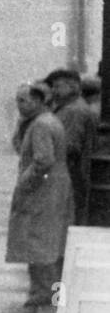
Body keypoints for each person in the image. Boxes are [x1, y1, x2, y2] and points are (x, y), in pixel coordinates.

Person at [6, 82, 73, 307]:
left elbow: (43, 160)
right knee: (48, 238)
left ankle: (43, 290)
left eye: (23, 101)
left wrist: (25, 183)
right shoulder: (47, 121)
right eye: (17, 101)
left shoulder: (41, 125)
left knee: (38, 239)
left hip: (43, 189)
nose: (19, 106)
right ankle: (47, 290)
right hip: (55, 186)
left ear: (37, 101)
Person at [45, 68, 98, 225]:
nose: (53, 91)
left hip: (70, 173)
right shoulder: (70, 109)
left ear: (73, 87)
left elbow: (69, 146)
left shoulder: (73, 111)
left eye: (58, 87)